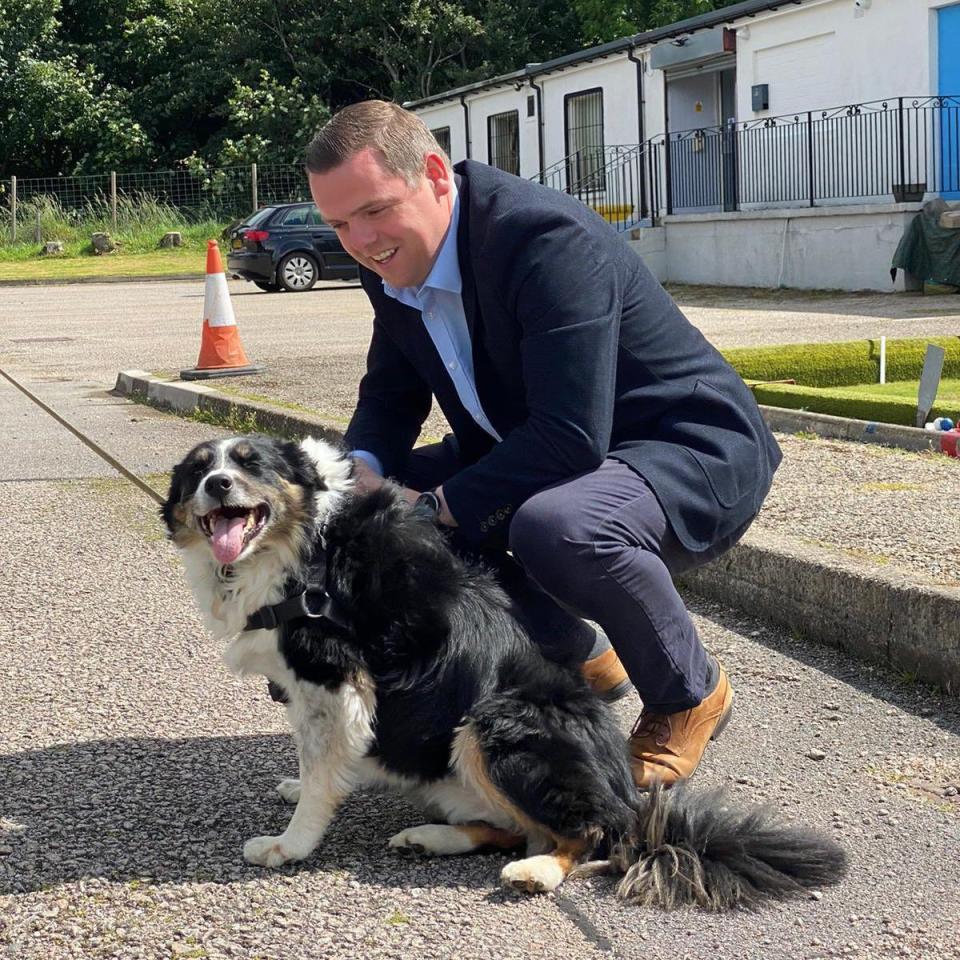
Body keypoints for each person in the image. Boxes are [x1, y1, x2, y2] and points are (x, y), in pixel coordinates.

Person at [305, 100, 782, 789]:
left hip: (684, 445)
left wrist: (429, 505)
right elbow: (389, 395)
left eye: (374, 210)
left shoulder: (543, 241)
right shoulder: (389, 264)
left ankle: (688, 693)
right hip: (546, 445)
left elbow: (570, 436)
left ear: (436, 175)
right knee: (355, 517)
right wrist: (363, 478)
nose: (361, 240)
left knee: (560, 527)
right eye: (339, 223)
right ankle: (580, 654)